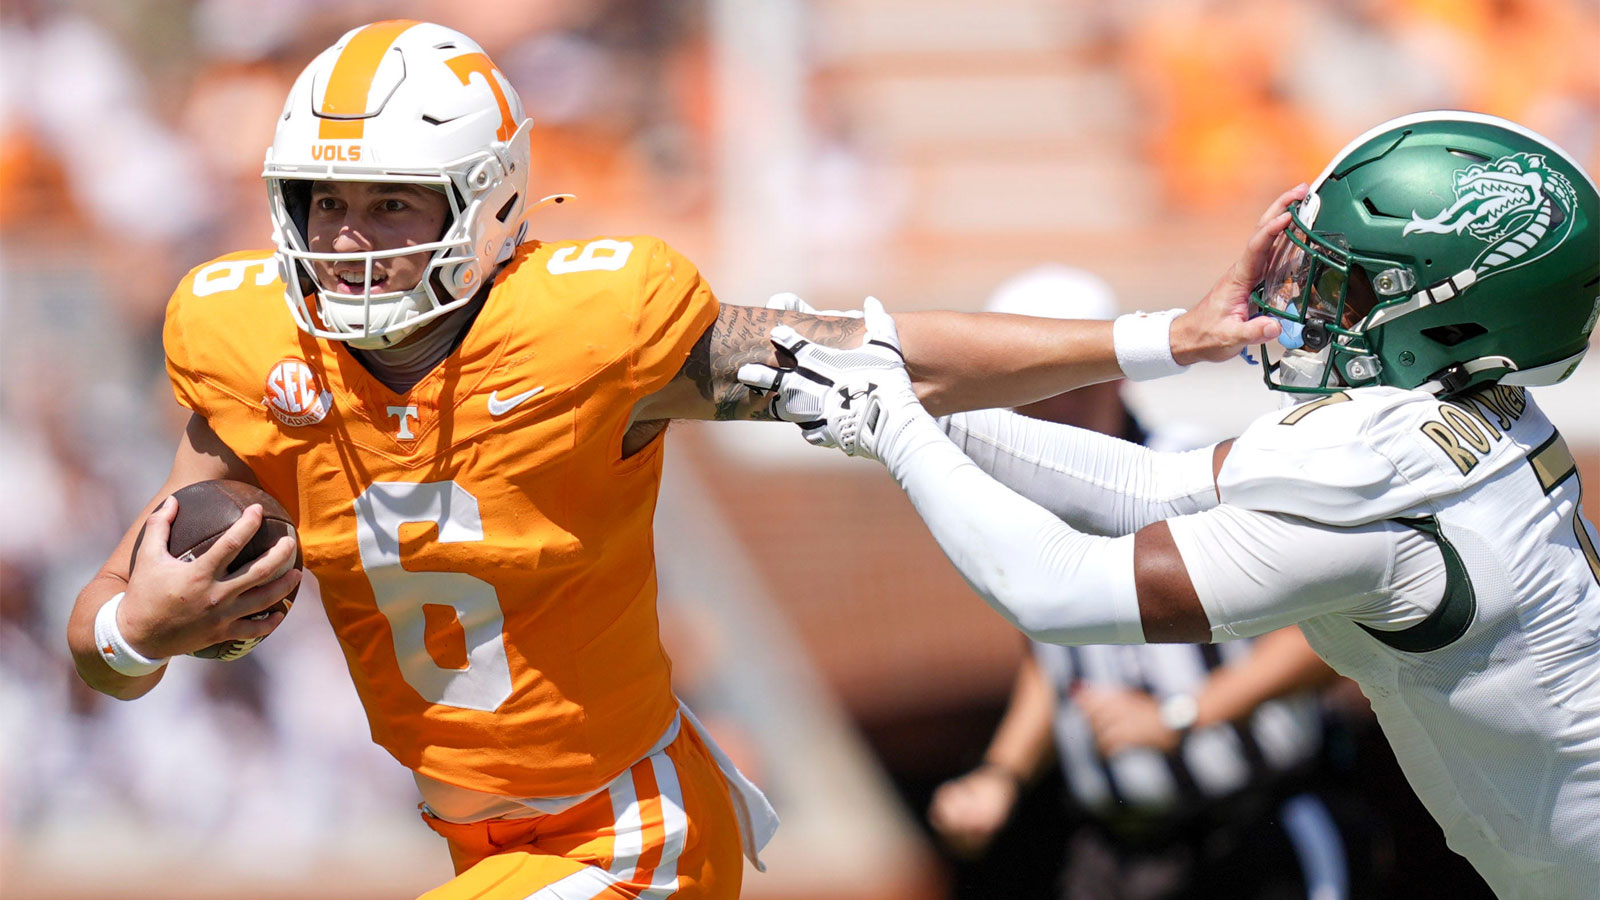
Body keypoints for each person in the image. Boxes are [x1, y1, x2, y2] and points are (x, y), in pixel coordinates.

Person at [63, 20, 1290, 900]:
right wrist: (140, 637)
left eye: (392, 204)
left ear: (486, 204)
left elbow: (883, 352)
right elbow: (102, 641)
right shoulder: (245, 345)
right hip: (478, 843)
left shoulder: (591, 329)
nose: (349, 239)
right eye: (325, 204)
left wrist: (1156, 339)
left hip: (623, 836)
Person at [741, 110, 1600, 898]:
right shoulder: (1461, 419)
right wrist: (880, 395)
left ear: (1449, 321)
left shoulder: (1391, 474)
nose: (1308, 302)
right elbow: (1142, 484)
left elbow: (1059, 588)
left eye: (1355, 286)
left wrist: (890, 426)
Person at [924, 266, 1348, 900]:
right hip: (1116, 852)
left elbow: (1326, 630)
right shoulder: (1028, 499)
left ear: (1110, 370)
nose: (1042, 402)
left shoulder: (1198, 472)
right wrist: (1001, 772)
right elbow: (1054, 659)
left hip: (1250, 834)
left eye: (1059, 378)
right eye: (1023, 380)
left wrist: (1186, 714)